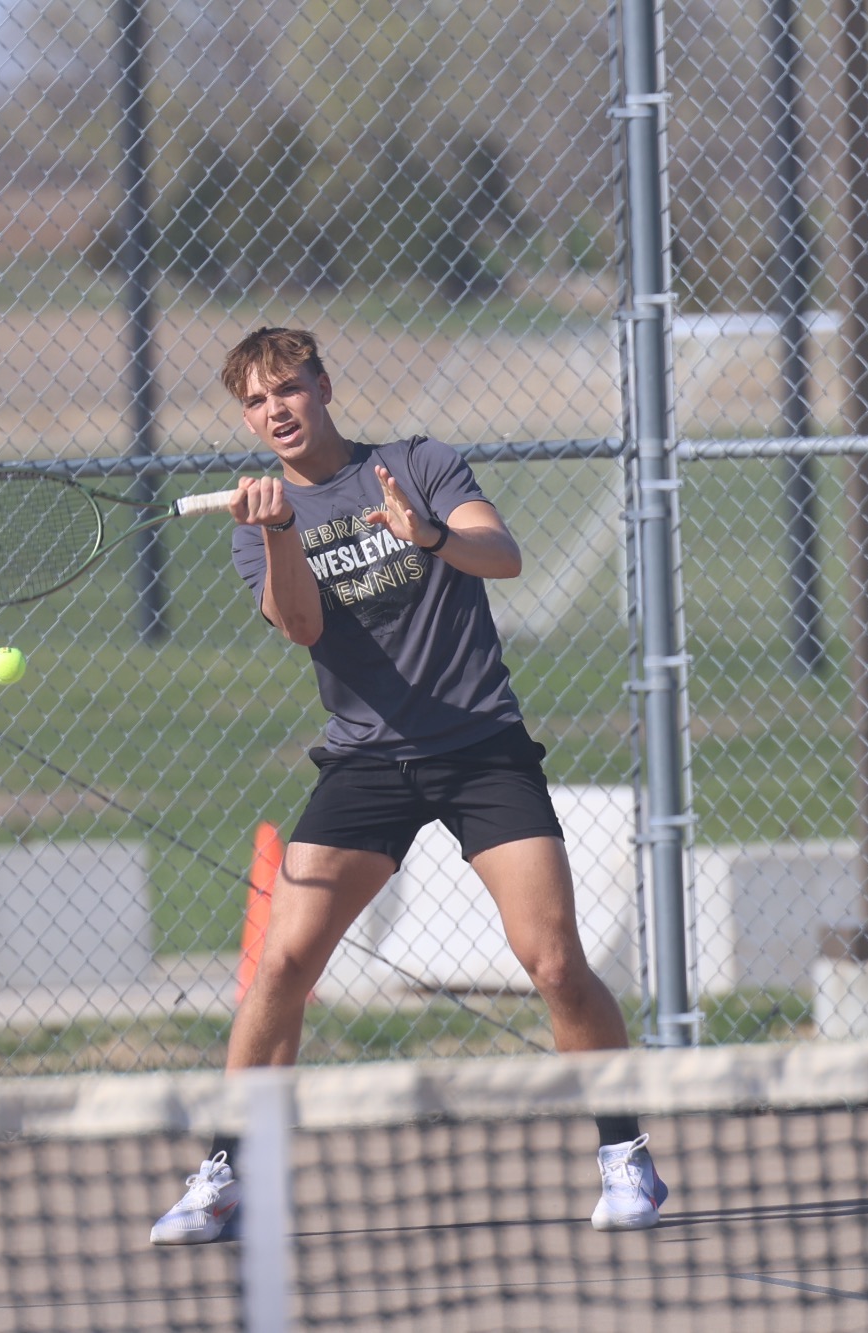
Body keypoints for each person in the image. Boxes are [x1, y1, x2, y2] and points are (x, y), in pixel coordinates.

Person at [149, 327, 666, 1246]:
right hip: (366, 763)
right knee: (282, 964)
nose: (278, 411)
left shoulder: (419, 463)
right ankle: (224, 1173)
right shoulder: (256, 519)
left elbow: (500, 554)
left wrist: (424, 531)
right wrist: (275, 534)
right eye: (258, 402)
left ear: (324, 386)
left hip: (482, 749)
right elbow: (303, 626)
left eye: (291, 389)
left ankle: (624, 1153)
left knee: (552, 959)